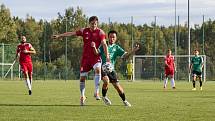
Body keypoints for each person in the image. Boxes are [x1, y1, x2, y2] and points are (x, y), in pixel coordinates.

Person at [52, 16, 110, 106]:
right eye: (92, 24)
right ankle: (82, 96)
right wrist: (60, 35)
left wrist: (107, 56)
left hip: (95, 57)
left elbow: (104, 44)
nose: (94, 25)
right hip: (85, 59)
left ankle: (96, 92)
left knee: (98, 70)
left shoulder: (100, 32)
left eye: (95, 24)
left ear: (97, 23)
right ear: (89, 23)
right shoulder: (84, 31)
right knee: (82, 78)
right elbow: (72, 33)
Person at [91, 30, 139, 107]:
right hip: (102, 68)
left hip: (111, 69)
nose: (112, 38)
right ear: (108, 37)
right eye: (110, 37)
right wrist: (93, 47)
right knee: (106, 81)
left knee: (118, 87)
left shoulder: (117, 48)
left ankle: (124, 101)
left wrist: (133, 50)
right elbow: (96, 53)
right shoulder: (103, 45)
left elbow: (125, 56)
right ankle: (104, 96)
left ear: (116, 38)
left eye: (113, 37)